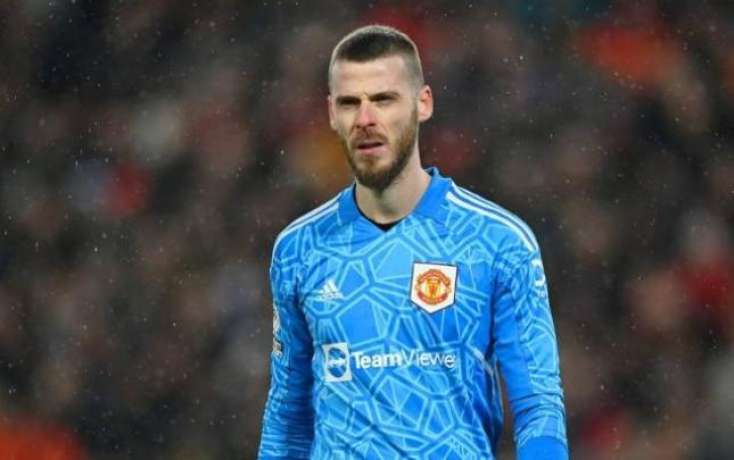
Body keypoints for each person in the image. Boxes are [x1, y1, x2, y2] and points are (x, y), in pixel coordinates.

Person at [258, 24, 568, 459]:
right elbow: (287, 419)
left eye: (384, 99)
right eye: (349, 103)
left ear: (423, 103)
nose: (365, 119)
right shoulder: (299, 249)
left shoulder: (498, 242)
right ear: (331, 113)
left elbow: (538, 407)